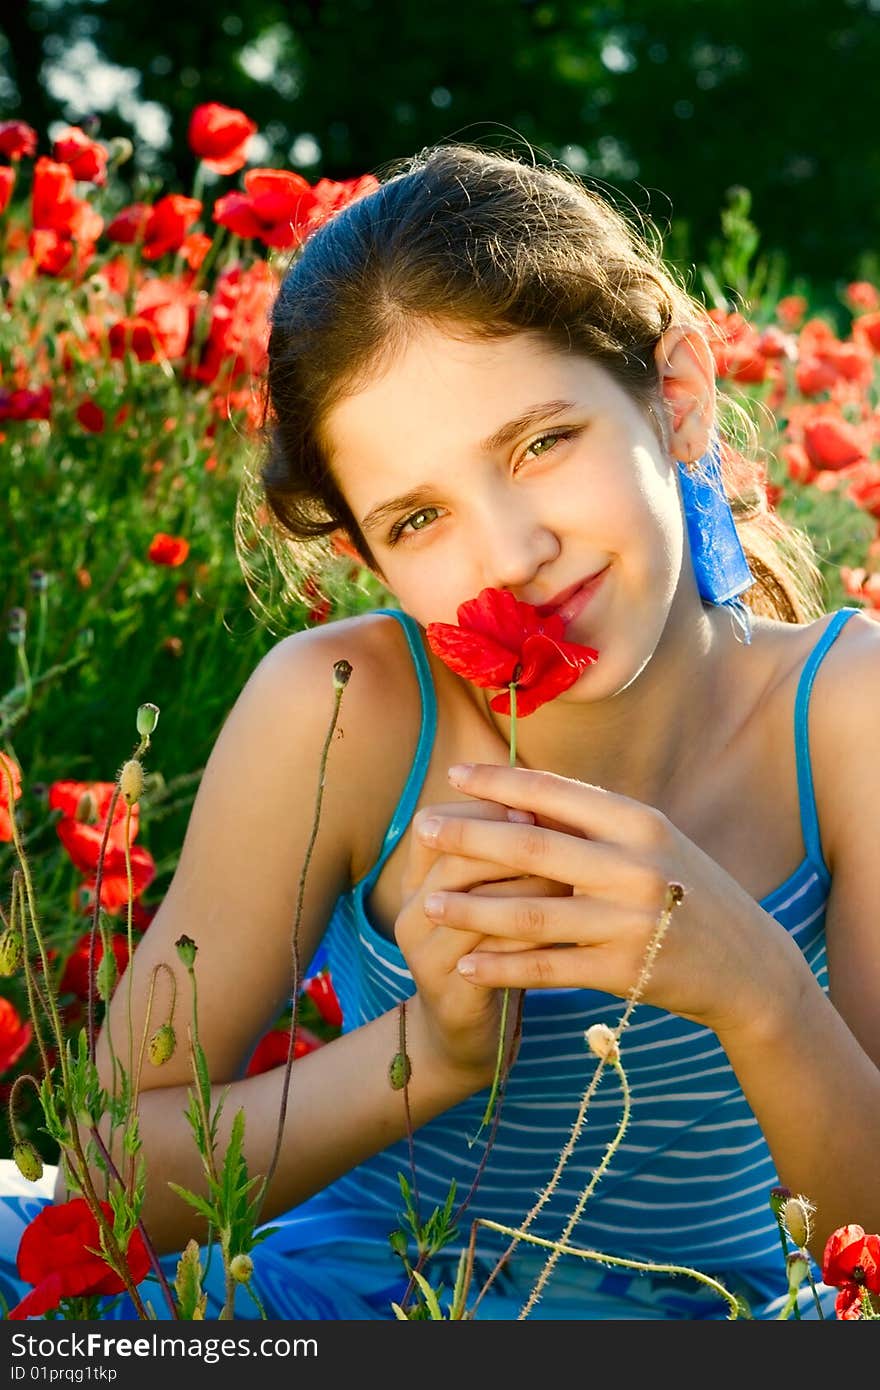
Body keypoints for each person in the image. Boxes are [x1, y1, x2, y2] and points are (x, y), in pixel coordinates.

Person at [2, 142, 879, 1322]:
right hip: (351, 1301)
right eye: (419, 518)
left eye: (539, 443)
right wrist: (429, 1052)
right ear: (366, 558)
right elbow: (107, 1178)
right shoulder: (348, 713)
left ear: (675, 397)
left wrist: (759, 990)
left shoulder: (844, 716)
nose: (512, 555)